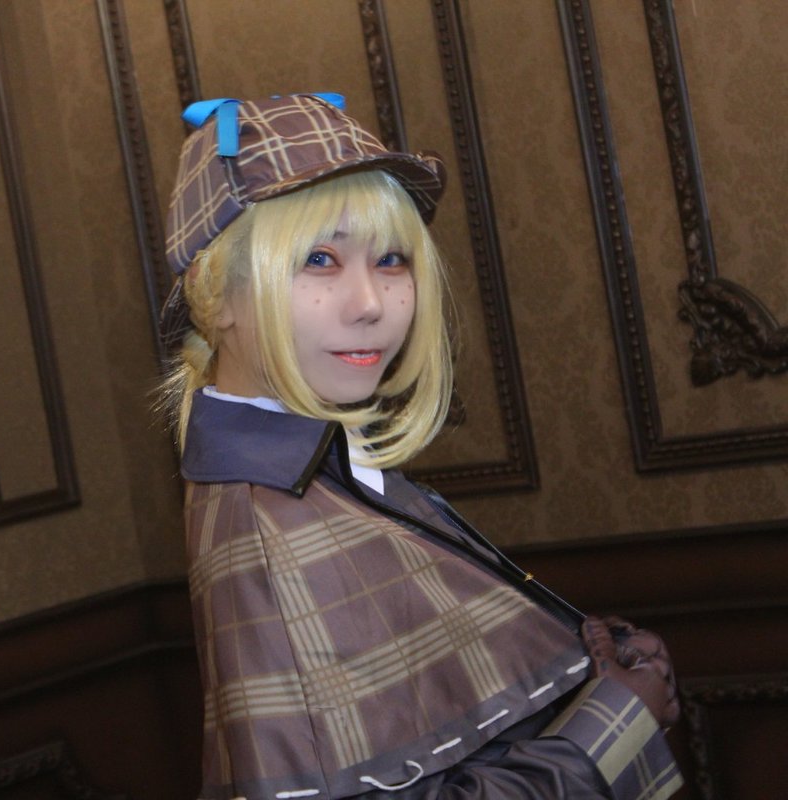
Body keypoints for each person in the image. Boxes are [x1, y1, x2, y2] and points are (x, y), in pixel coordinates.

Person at [157, 94, 682, 799]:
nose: (371, 303)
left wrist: (597, 662)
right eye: (320, 260)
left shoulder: (315, 469)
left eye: (392, 260)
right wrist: (612, 726)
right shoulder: (270, 525)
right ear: (216, 295)